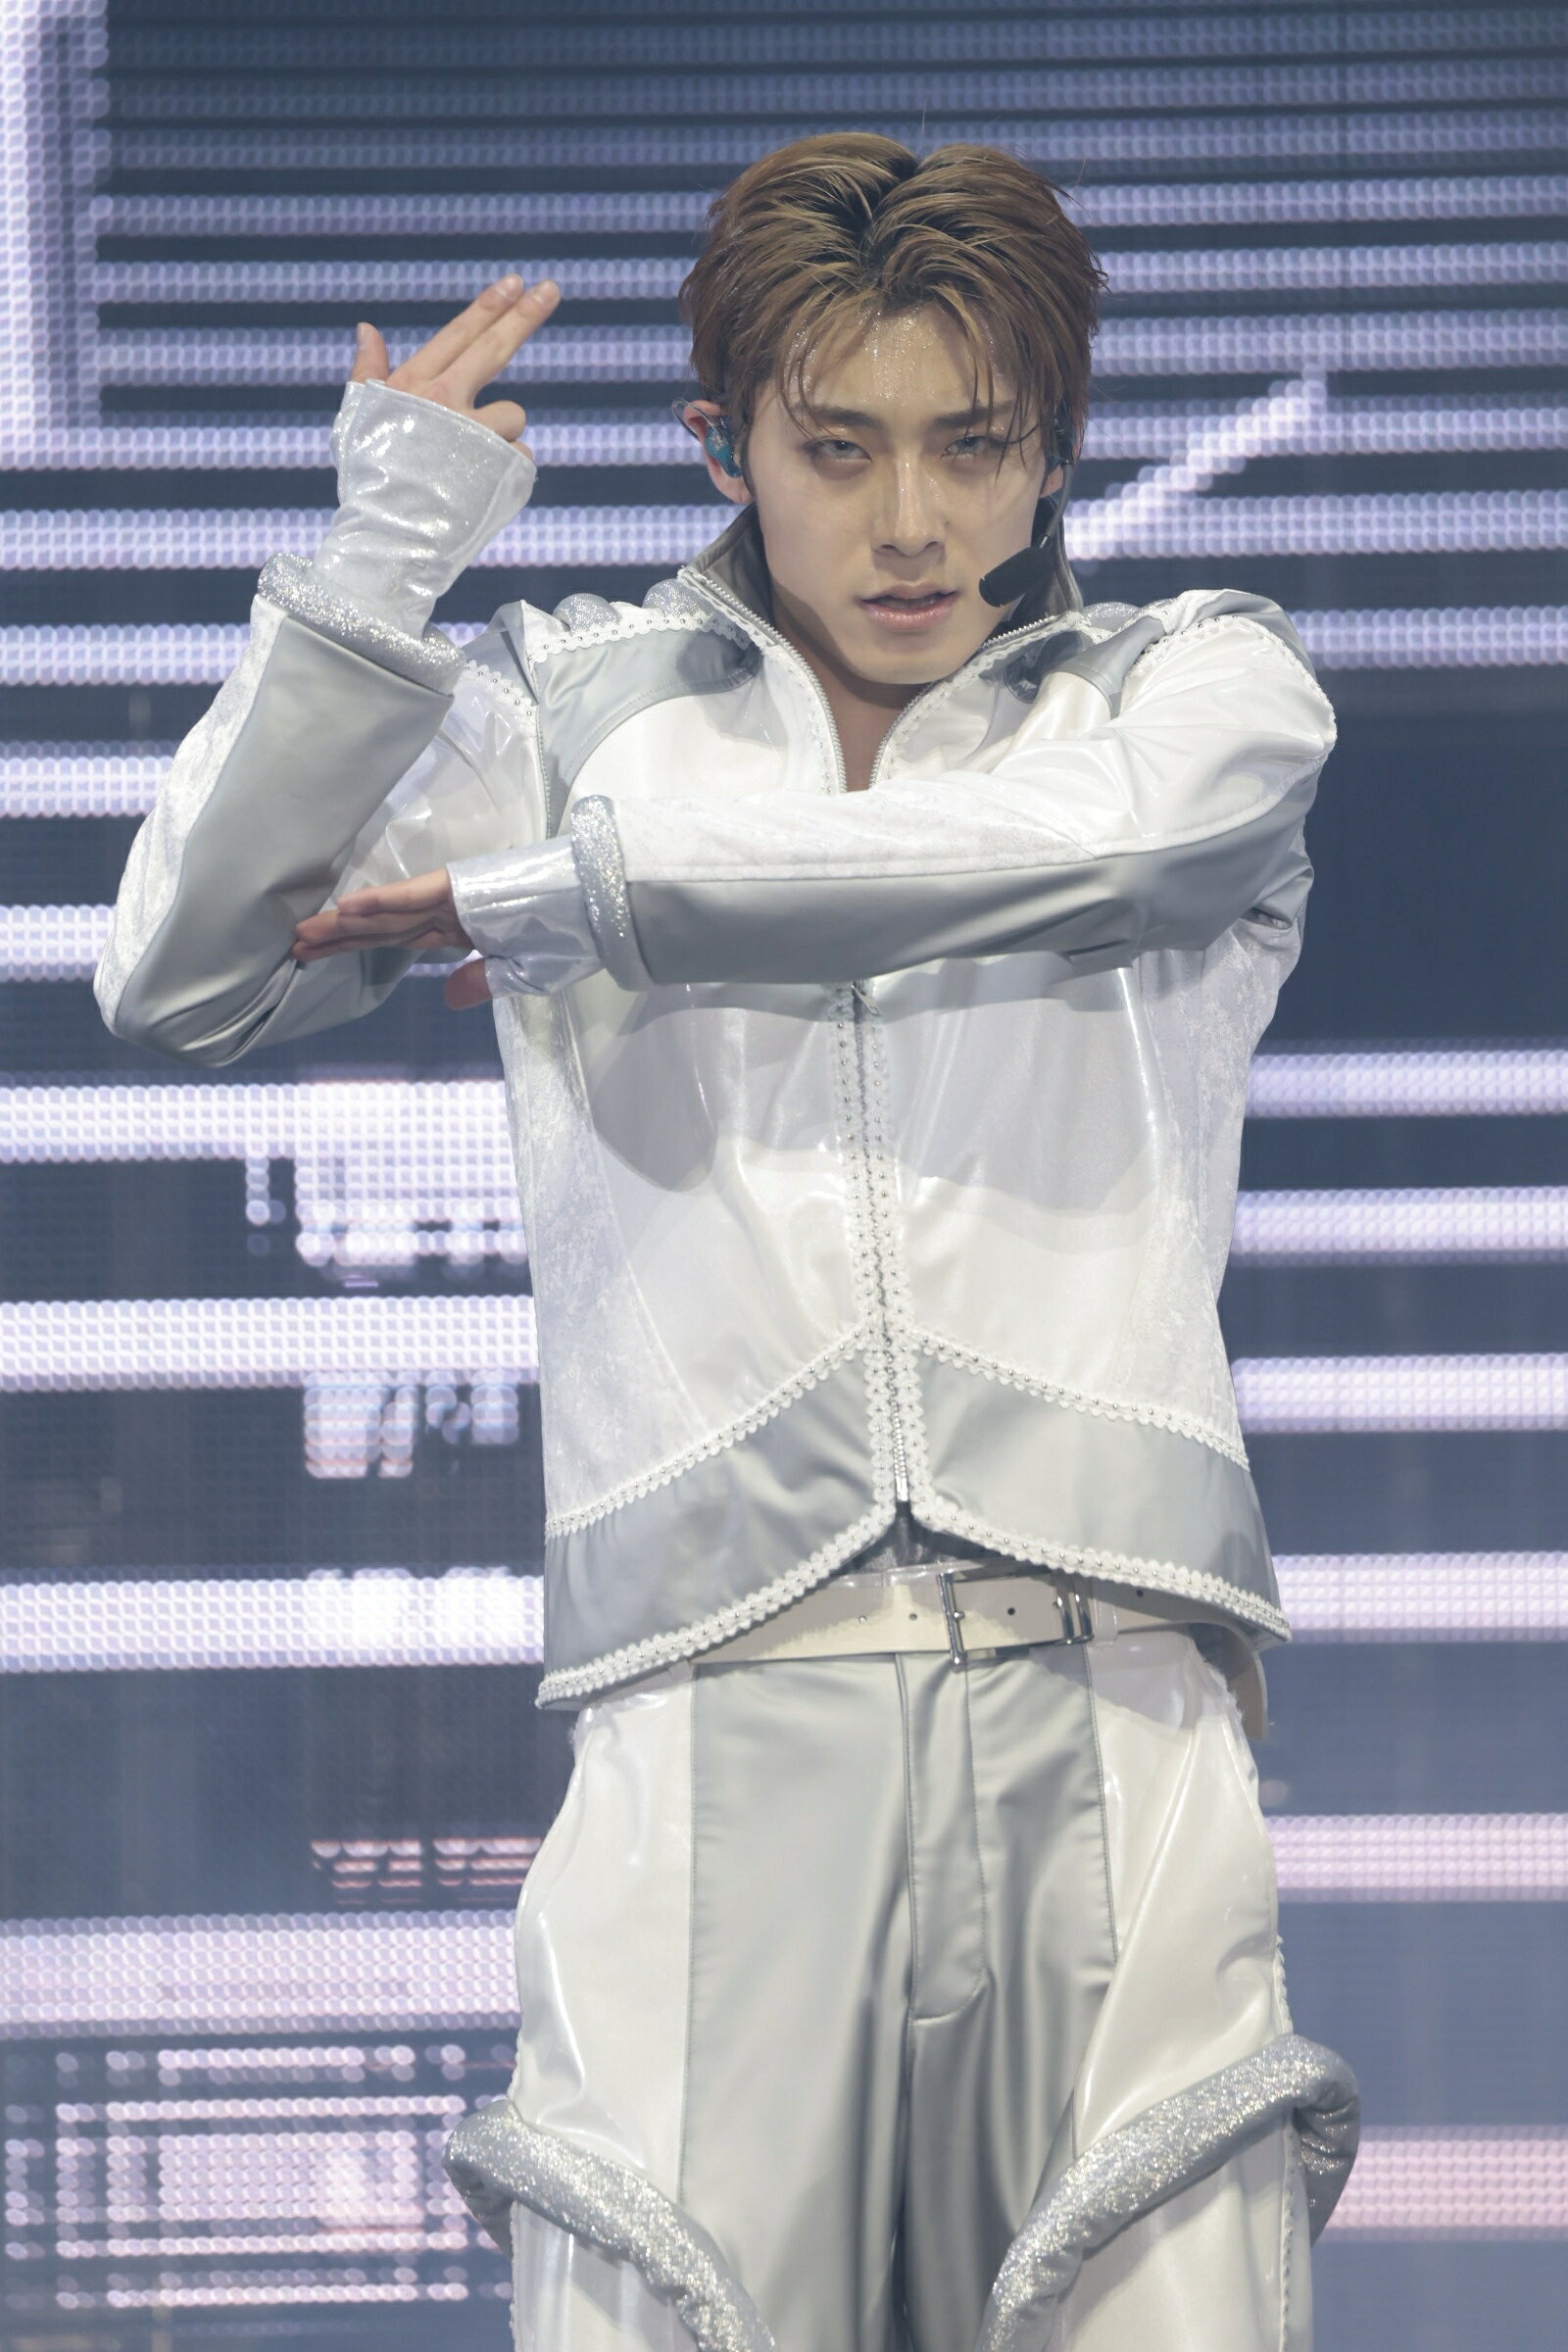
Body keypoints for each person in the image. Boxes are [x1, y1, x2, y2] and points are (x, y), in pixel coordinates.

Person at [98, 135, 1357, 2352]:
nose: (912, 522)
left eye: (973, 446)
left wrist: (585, 901)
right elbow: (183, 974)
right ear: (725, 446)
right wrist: (383, 560)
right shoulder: (573, 715)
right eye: (839, 450)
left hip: (1113, 1708)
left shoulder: (1192, 691)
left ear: (1053, 447)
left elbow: (1116, 854)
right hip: (705, 1726)